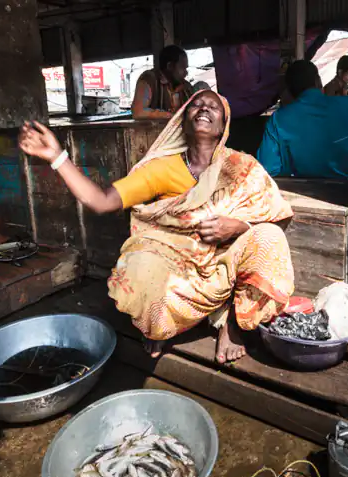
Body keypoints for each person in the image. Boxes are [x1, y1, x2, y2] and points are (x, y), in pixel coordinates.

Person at [19, 91, 294, 363]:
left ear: (223, 125)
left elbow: (278, 216)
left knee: (269, 237)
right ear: (181, 122)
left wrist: (238, 226)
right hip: (176, 268)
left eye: (213, 107)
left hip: (225, 268)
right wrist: (57, 157)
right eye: (195, 104)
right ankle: (166, 321)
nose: (203, 108)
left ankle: (232, 323)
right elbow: (101, 201)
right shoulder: (162, 168)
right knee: (140, 270)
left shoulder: (241, 167)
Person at [258, 60, 348, 179]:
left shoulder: (278, 119)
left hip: (303, 193)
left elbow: (268, 169)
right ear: (317, 81)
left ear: (290, 91)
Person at [131, 45, 194, 120]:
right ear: (170, 66)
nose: (186, 73)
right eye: (182, 68)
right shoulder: (150, 79)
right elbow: (138, 112)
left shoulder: (185, 86)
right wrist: (172, 116)